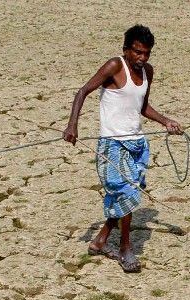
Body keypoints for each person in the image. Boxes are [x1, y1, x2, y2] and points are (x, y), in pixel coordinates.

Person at [63, 24, 183, 273]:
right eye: (138, 52)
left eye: (147, 53)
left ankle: (100, 241)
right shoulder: (114, 66)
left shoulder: (148, 71)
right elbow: (82, 91)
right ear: (126, 49)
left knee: (126, 196)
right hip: (112, 145)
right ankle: (126, 250)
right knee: (127, 195)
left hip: (138, 143)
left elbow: (143, 107)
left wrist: (166, 121)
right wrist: (72, 125)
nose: (142, 58)